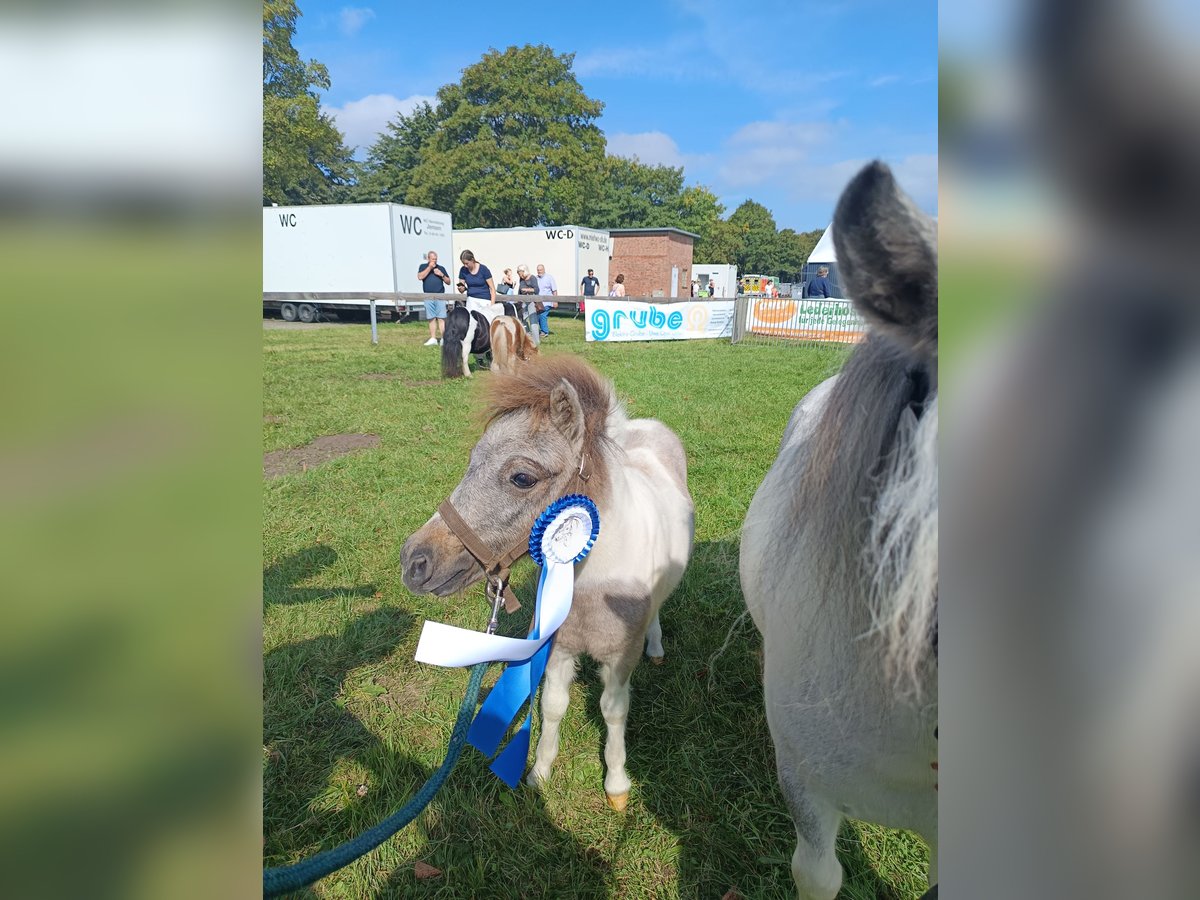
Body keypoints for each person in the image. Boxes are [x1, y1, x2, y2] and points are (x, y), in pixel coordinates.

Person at [417, 250, 451, 346]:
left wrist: (442, 275)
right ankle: (433, 338)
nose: (434, 261)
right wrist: (429, 268)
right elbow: (420, 277)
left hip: (440, 296)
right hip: (428, 296)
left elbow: (448, 282)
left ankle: (444, 339)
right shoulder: (423, 267)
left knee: (441, 318)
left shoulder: (441, 268)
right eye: (432, 259)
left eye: (435, 259)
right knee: (431, 318)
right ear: (428, 259)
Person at [516, 264, 541, 346]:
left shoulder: (532, 278)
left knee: (533, 320)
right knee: (523, 319)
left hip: (532, 301)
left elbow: (536, 290)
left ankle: (536, 341)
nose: (520, 274)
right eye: (519, 273)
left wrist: (527, 289)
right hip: (523, 301)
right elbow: (520, 290)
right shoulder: (521, 279)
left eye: (520, 272)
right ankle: (528, 337)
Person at [535, 263, 558, 336]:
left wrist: (555, 301)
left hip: (547, 302)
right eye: (538, 270)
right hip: (538, 302)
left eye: (541, 270)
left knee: (543, 315)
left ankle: (545, 331)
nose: (539, 271)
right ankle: (541, 330)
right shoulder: (535, 278)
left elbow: (554, 290)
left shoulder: (549, 278)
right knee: (538, 316)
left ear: (544, 270)